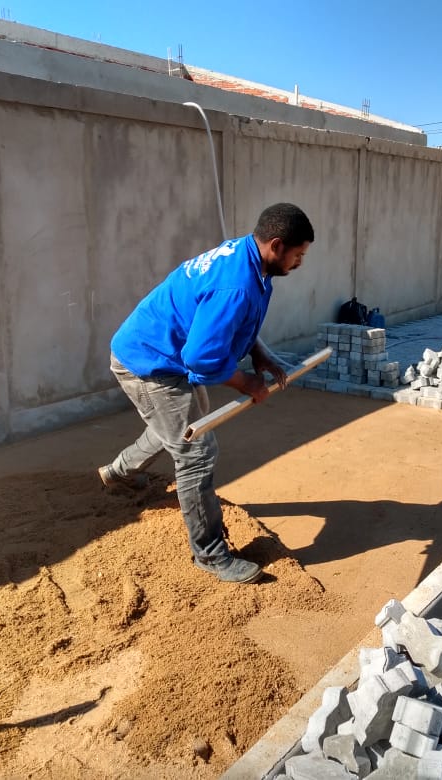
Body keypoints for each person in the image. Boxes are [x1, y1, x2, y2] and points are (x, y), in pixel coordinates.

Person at [99, 203, 314, 584]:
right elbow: (201, 357)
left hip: (162, 352)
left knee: (180, 428)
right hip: (146, 362)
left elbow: (234, 323)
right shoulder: (237, 284)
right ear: (277, 245)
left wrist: (258, 353)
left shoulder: (251, 260)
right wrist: (246, 383)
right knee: (196, 449)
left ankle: (119, 472)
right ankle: (211, 555)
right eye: (298, 255)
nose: (299, 263)